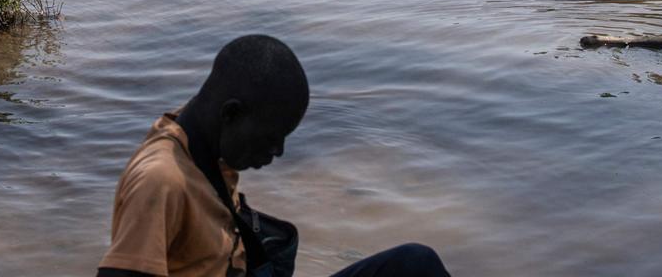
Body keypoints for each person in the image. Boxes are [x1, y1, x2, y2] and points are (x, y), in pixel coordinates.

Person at [97, 35, 453, 277]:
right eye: (271, 139)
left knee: (414, 264)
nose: (278, 152)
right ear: (231, 115)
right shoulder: (162, 179)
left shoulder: (201, 142)